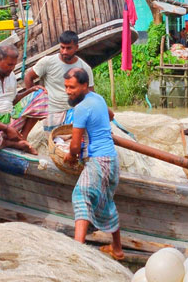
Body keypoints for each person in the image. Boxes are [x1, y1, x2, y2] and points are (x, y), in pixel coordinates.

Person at [62, 68, 124, 261]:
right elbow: (111, 115)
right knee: (106, 202)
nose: (68, 91)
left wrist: (70, 156)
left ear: (83, 86)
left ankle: (77, 249)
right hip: (111, 161)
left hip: (98, 161)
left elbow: (74, 146)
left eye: (72, 87)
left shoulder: (81, 108)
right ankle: (117, 249)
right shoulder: (97, 98)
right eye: (66, 87)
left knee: (80, 195)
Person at [0, 45, 49, 155]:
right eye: (9, 64)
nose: (12, 68)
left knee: (41, 94)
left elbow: (12, 100)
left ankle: (23, 138)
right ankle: (15, 144)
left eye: (13, 65)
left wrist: (29, 91)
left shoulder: (11, 75)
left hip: (11, 119)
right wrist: (6, 129)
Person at [23, 30, 94, 132]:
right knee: (53, 143)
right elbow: (28, 77)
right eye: (62, 47)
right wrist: (34, 101)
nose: (64, 51)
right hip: (52, 111)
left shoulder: (85, 68)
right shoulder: (47, 62)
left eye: (68, 48)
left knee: (77, 143)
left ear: (76, 48)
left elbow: (90, 93)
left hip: (75, 111)